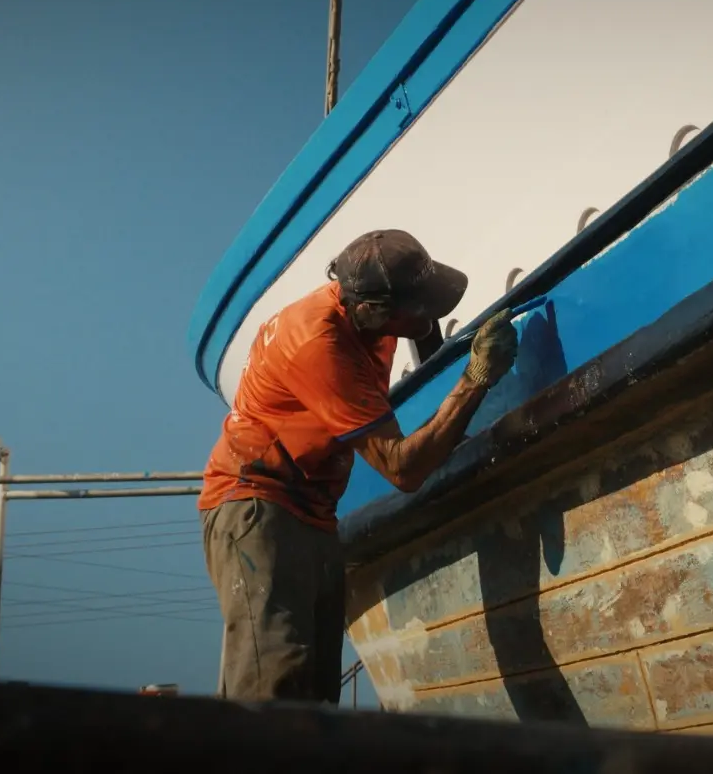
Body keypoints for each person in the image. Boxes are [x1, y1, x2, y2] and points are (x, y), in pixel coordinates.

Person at [198, 229, 518, 703]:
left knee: (318, 695)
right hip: (255, 508)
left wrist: (446, 395)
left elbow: (425, 329)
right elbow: (403, 471)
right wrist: (474, 381)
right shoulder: (319, 345)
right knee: (273, 685)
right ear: (375, 310)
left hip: (313, 511)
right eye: (421, 306)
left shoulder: (373, 314)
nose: (433, 314)